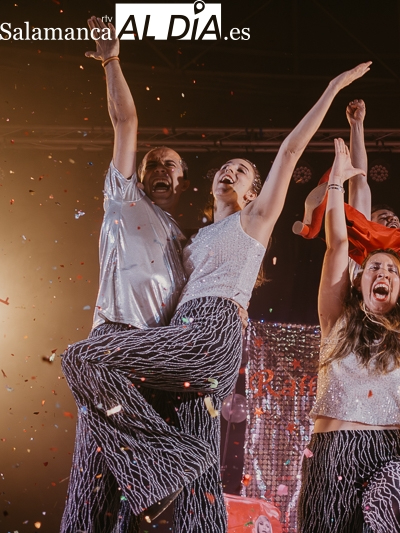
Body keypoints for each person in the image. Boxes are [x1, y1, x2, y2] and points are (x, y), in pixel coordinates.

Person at [61, 62, 372, 532]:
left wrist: (332, 89)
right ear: (207, 185)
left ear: (252, 192)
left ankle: (172, 457)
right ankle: (186, 474)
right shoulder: (186, 241)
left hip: (211, 331)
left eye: (242, 171)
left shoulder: (254, 222)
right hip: (178, 341)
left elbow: (288, 153)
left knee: (82, 358)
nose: (230, 171)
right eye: (225, 168)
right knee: (201, 483)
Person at [60, 17, 192, 533]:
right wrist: (113, 60)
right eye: (153, 163)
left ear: (183, 181)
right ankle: (164, 463)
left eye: (172, 166)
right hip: (113, 345)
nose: (160, 170)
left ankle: (159, 472)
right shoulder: (122, 200)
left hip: (157, 358)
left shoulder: (185, 239)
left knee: (140, 511)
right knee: (95, 487)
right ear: (138, 174)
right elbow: (125, 123)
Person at [297, 139, 400, 532]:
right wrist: (335, 184)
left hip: (392, 451)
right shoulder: (335, 321)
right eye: (374, 268)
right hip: (332, 453)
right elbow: (336, 245)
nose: (382, 274)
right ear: (359, 279)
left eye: (391, 272)